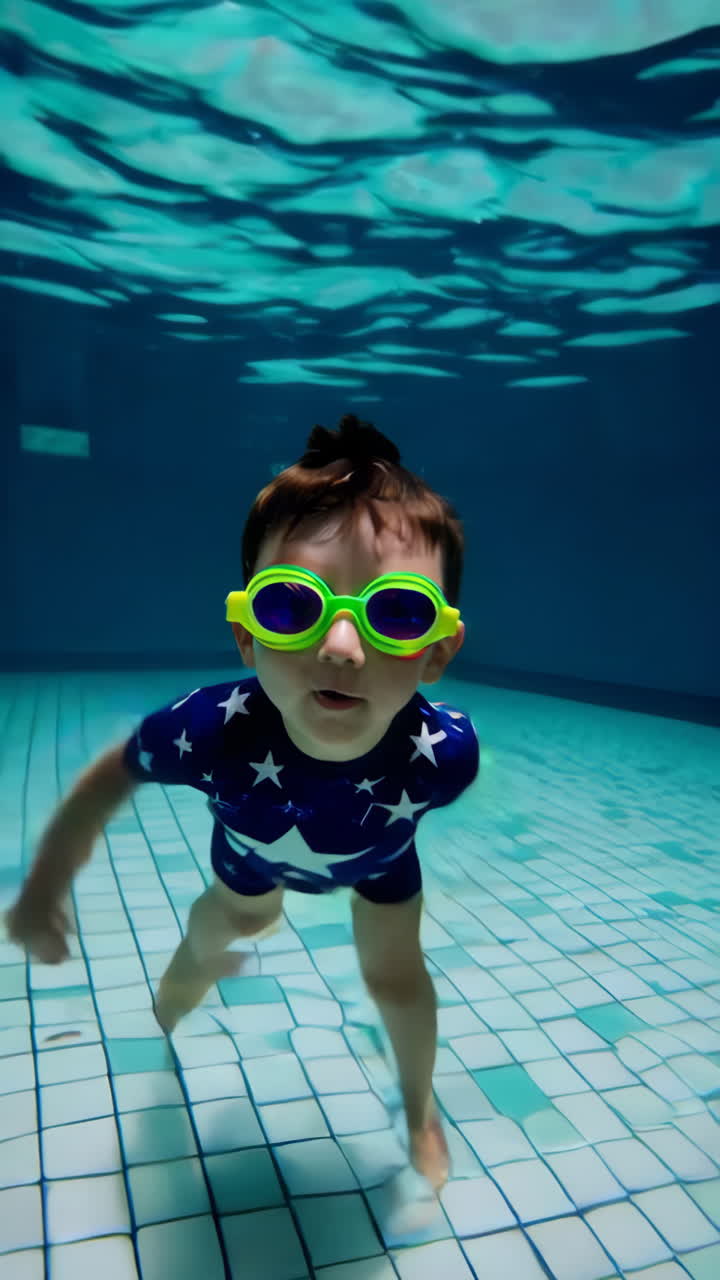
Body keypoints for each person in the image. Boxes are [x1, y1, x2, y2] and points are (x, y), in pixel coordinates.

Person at [6, 413, 479, 1196]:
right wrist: (42, 889)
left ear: (436, 651)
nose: (339, 647)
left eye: (396, 613)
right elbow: (111, 774)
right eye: (293, 605)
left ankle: (418, 1105)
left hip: (381, 863)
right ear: (245, 635)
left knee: (395, 973)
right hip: (250, 859)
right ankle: (171, 1004)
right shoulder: (212, 732)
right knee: (230, 925)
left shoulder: (443, 756)